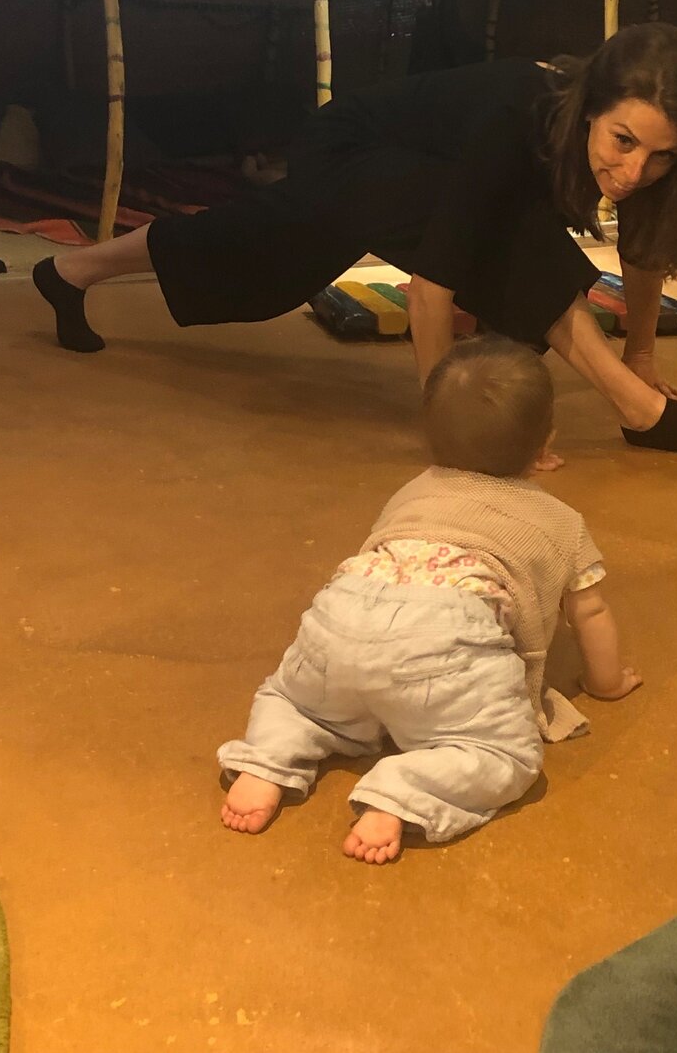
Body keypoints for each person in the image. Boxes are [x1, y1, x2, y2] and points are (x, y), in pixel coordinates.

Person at [32, 22, 677, 458]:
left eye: (659, 156)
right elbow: (434, 282)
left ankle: (70, 272)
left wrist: (641, 347)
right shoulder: (518, 117)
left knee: (251, 253)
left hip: (406, 165)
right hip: (348, 149)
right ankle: (638, 413)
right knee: (520, 241)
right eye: (623, 142)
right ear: (590, 107)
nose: (634, 171)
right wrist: (448, 428)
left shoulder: (638, 148)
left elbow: (642, 240)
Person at [217, 336, 641, 863]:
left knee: (296, 699)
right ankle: (404, 790)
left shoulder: (412, 489)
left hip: (342, 615)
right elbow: (590, 611)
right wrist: (608, 683)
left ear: (429, 439)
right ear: (545, 447)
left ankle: (267, 759)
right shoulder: (560, 522)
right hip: (445, 641)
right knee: (501, 754)